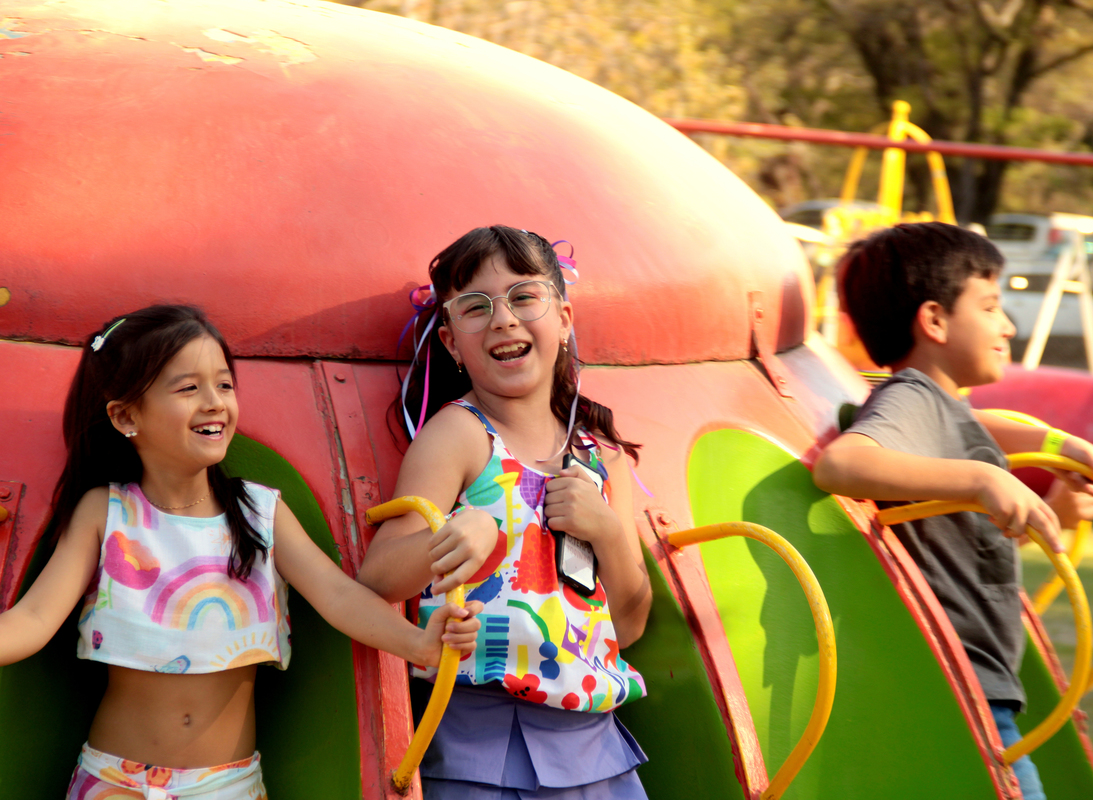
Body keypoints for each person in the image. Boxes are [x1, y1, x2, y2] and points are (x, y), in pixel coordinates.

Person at [0, 305, 481, 798]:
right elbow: (34, 619)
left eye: (225, 385)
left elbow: (338, 597)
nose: (214, 403)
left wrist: (418, 643)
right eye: (188, 388)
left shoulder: (259, 513)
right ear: (126, 415)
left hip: (227, 785)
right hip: (114, 781)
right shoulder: (105, 513)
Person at [813, 222, 1093, 800]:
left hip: (974, 680)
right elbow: (841, 465)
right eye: (990, 306)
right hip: (959, 681)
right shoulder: (913, 398)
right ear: (934, 320)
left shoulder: (944, 412)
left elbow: (953, 550)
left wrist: (1057, 486)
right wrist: (983, 476)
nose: (1007, 325)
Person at [357, 226, 653, 800]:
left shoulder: (599, 460)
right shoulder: (459, 436)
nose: (503, 319)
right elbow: (380, 575)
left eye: (524, 297)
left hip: (599, 747)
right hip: (481, 747)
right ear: (449, 341)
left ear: (563, 319)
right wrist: (451, 541)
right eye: (476, 307)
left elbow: (632, 624)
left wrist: (608, 532)